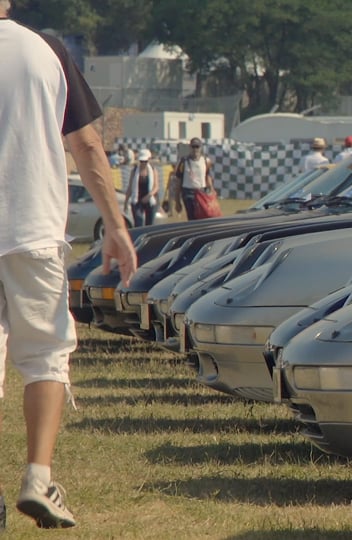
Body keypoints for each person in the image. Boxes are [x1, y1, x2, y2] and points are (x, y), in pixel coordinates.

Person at [0, 0, 137, 530]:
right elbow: (86, 144)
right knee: (47, 356)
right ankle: (38, 476)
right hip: (33, 228)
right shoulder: (47, 50)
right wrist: (116, 227)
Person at [171, 137, 215, 220]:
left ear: (201, 148)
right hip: (188, 192)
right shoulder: (183, 161)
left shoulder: (206, 161)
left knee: (203, 216)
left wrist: (212, 192)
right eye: (193, 147)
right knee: (192, 217)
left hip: (202, 191)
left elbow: (208, 176)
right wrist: (177, 200)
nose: (195, 149)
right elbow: (178, 181)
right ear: (190, 147)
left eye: (197, 147)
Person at [124, 149, 159, 227]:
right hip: (137, 200)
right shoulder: (135, 171)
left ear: (149, 160)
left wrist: (149, 196)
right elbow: (130, 187)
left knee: (150, 225)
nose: (143, 163)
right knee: (138, 222)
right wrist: (126, 202)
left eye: (145, 161)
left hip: (149, 200)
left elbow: (156, 187)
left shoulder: (153, 170)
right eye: (141, 161)